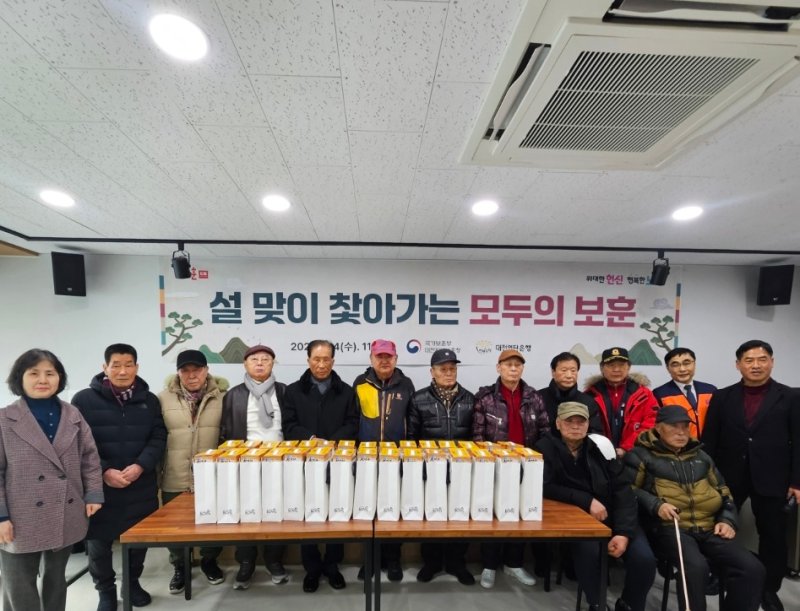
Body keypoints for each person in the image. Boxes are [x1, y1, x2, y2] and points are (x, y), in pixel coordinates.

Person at [627, 406, 765, 611]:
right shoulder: (641, 456)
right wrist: (656, 504)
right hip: (671, 528)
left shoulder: (702, 456)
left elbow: (724, 491)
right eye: (674, 427)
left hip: (709, 527)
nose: (681, 432)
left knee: (752, 568)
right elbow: (627, 491)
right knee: (696, 568)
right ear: (658, 428)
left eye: (685, 427)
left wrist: (727, 520)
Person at [0, 349, 104, 611]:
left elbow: (89, 458)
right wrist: (1, 516)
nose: (42, 379)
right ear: (20, 378)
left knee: (56, 579)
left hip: (65, 509)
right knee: (18, 583)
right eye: (34, 373)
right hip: (18, 516)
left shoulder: (73, 415)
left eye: (50, 373)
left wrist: (93, 493)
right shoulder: (4, 419)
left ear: (60, 378)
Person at [702, 339, 800, 611]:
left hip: (773, 477)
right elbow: (710, 440)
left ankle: (769, 589)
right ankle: (718, 575)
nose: (756, 365)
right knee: (719, 528)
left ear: (772, 362)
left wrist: (797, 481)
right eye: (749, 360)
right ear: (738, 365)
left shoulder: (791, 396)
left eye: (762, 359)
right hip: (727, 476)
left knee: (773, 535)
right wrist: (707, 477)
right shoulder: (722, 397)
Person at [72, 343, 166, 611]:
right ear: (105, 367)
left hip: (140, 484)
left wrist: (140, 466)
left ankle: (131, 584)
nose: (122, 371)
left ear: (137, 367)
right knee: (98, 543)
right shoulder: (83, 400)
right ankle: (106, 591)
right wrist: (104, 471)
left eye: (128, 365)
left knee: (138, 540)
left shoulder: (149, 400)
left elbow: (158, 436)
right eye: (116, 365)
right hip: (99, 486)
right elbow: (77, 442)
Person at [536, 402, 656, 611]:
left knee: (644, 559)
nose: (575, 426)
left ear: (587, 424)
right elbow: (545, 486)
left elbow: (623, 491)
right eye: (569, 421)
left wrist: (623, 533)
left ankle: (629, 604)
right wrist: (586, 500)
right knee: (589, 553)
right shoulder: (544, 447)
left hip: (615, 515)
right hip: (579, 518)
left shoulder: (601, 447)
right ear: (558, 423)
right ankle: (597, 603)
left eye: (580, 421)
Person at [282, 340, 359, 593]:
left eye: (326, 359)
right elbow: (288, 425)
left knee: (337, 513)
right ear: (308, 360)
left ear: (333, 361)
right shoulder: (293, 391)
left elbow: (353, 423)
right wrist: (312, 439)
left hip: (338, 462)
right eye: (317, 359)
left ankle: (333, 566)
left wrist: (333, 442)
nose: (322, 364)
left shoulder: (346, 391)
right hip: (305, 463)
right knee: (309, 516)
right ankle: (312, 569)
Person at [472, 348, 547, 589]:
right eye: (508, 365)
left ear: (522, 368)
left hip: (527, 467)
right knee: (492, 515)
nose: (513, 369)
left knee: (520, 516)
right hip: (495, 467)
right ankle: (489, 565)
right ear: (499, 368)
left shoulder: (534, 397)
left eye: (517, 365)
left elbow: (545, 431)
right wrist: (486, 465)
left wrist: (536, 462)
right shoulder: (485, 398)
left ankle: (514, 564)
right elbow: (478, 435)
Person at [220, 344, 289, 590]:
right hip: (244, 463)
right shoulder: (233, 394)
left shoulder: (284, 391)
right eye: (254, 359)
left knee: (276, 512)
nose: (260, 363)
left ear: (273, 364)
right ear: (245, 364)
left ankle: (274, 560)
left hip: (279, 462)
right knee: (245, 514)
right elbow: (225, 431)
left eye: (265, 359)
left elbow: (291, 425)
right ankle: (246, 562)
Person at [158, 349, 227, 594]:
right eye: (185, 370)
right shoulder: (162, 399)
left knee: (212, 524)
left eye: (196, 370)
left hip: (211, 475)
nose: (191, 375)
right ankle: (180, 566)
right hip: (174, 473)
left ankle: (209, 561)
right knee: (174, 527)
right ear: (178, 373)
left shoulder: (222, 398)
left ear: (206, 370)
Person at [408, 348, 475, 586]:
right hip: (430, 470)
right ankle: (432, 563)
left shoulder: (470, 399)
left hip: (461, 470)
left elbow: (475, 437)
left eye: (452, 369)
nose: (448, 373)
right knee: (432, 517)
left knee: (460, 518)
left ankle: (457, 563)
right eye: (443, 369)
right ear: (432, 372)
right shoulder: (418, 399)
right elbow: (411, 438)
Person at [353, 338, 415, 582]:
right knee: (367, 510)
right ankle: (370, 560)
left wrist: (409, 454)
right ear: (371, 359)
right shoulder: (360, 383)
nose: (384, 360)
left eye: (389, 356)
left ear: (396, 359)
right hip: (367, 460)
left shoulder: (406, 384)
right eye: (380, 356)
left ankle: (393, 560)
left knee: (393, 510)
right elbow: (353, 419)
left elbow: (412, 421)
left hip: (397, 460)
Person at [585, 347, 658, 456]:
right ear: (602, 368)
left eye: (621, 365)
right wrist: (603, 449)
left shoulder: (644, 394)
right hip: (598, 455)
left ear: (629, 367)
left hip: (636, 454)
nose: (616, 369)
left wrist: (626, 448)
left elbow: (651, 423)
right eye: (611, 365)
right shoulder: (590, 395)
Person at [653, 347, 716, 438]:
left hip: (709, 443)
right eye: (675, 365)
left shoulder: (710, 390)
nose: (682, 369)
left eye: (687, 363)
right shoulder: (659, 394)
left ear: (694, 364)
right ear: (668, 368)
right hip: (678, 444)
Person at [539, 351, 603, 434]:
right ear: (553, 372)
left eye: (573, 371)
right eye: (564, 370)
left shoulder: (588, 402)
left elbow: (594, 433)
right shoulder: (538, 398)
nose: (569, 375)